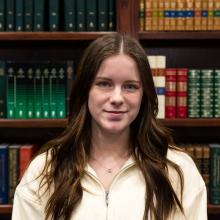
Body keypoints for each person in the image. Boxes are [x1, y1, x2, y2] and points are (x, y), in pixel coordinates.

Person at [12, 33, 207, 220]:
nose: (116, 98)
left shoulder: (179, 170)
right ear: (85, 89)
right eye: (104, 84)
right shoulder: (44, 170)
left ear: (143, 95)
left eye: (130, 86)